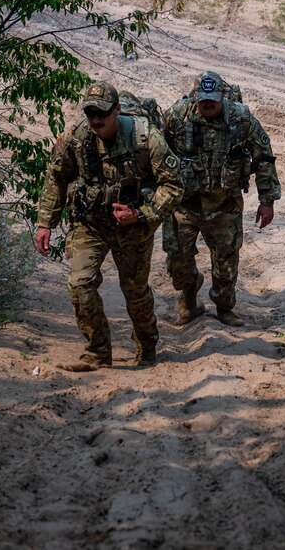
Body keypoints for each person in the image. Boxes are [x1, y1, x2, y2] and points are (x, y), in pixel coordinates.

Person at [34, 81, 183, 371]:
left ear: (117, 110)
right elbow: (57, 177)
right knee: (80, 284)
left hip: (133, 227)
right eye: (90, 113)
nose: (96, 120)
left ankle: (147, 346)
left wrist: (141, 213)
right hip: (90, 223)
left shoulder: (146, 138)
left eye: (101, 112)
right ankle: (97, 351)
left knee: (135, 292)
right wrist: (45, 222)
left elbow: (174, 186)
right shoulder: (77, 137)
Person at [162, 71, 281, 327]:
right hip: (185, 204)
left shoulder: (241, 118)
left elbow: (263, 156)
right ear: (195, 96)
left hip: (224, 204)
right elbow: (156, 153)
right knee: (177, 259)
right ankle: (190, 295)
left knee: (226, 262)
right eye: (203, 99)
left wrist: (267, 200)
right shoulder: (175, 116)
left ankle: (225, 309)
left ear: (223, 97)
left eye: (213, 100)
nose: (208, 104)